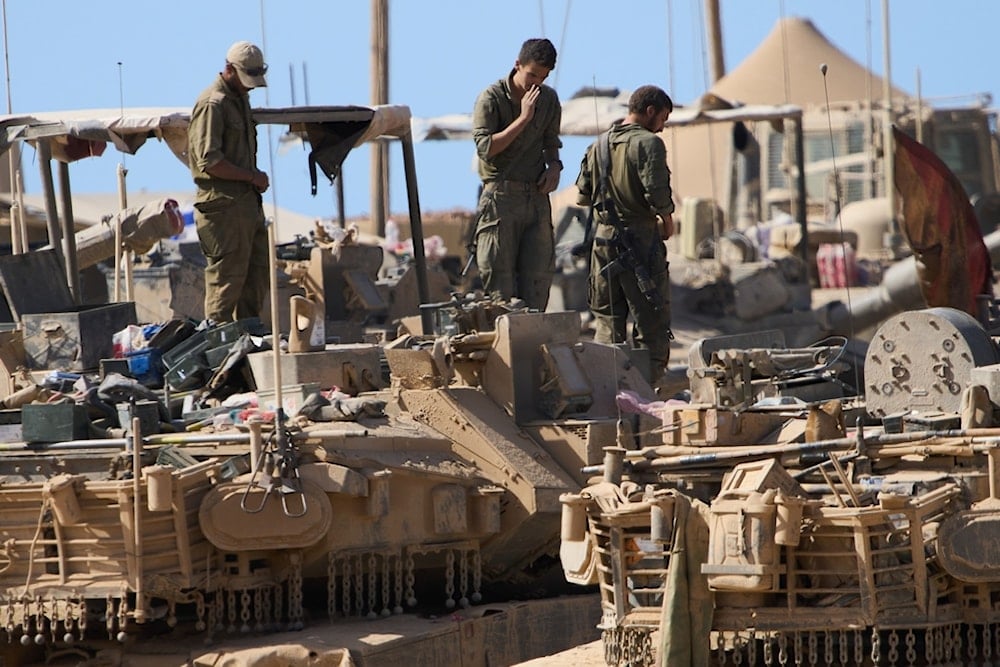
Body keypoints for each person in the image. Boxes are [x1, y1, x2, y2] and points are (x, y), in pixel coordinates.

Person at [575, 85, 675, 384]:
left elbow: (583, 196)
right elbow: (657, 192)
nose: (662, 126)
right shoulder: (649, 144)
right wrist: (667, 221)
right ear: (650, 111)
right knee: (651, 325)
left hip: (603, 244)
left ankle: (609, 394)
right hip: (640, 241)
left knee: (607, 324)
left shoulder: (599, 145)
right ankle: (646, 395)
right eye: (663, 118)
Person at [471, 37, 563, 311]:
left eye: (542, 78)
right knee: (500, 287)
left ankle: (532, 347)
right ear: (517, 65)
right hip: (501, 199)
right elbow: (486, 148)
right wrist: (523, 118)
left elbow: (551, 142)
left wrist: (555, 167)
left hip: (535, 197)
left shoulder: (548, 100)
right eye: (531, 74)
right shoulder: (491, 98)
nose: (535, 83)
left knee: (538, 279)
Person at [188, 40, 271, 324]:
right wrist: (252, 176)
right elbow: (209, 161)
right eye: (246, 79)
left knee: (256, 278)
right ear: (229, 70)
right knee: (226, 284)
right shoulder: (214, 103)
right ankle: (219, 352)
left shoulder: (239, 100)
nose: (250, 87)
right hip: (223, 208)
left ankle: (250, 344)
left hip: (246, 205)